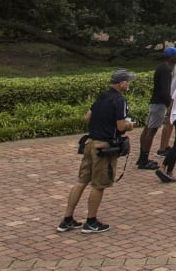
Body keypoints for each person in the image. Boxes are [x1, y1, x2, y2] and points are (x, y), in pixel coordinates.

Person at [57, 70, 136, 234]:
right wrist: (130, 125)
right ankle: (91, 221)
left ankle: (67, 219)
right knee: (99, 184)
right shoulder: (119, 100)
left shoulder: (102, 96)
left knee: (81, 181)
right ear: (122, 83)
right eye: (127, 81)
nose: (128, 84)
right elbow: (121, 126)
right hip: (104, 147)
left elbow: (87, 118)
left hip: (89, 142)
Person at [136, 47, 176, 171]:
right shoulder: (165, 70)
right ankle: (144, 159)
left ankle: (142, 157)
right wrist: (169, 103)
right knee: (152, 130)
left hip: (155, 102)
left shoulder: (161, 67)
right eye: (175, 56)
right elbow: (165, 90)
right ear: (171, 57)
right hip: (159, 103)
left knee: (148, 128)